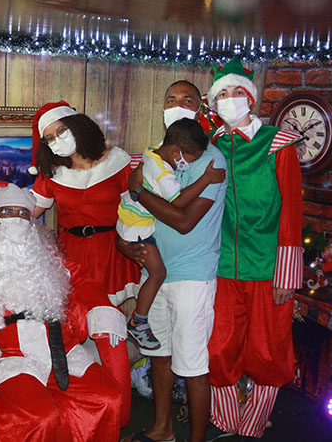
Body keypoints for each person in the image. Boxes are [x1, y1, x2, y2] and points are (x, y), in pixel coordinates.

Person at [0, 182, 122, 442]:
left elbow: (82, 280)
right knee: (40, 418)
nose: (16, 219)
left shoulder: (44, 252)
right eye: (7, 212)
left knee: (107, 398)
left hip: (60, 348)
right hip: (11, 356)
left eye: (22, 213)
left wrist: (101, 309)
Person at [120, 83, 228, 442]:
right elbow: (131, 211)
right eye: (170, 100)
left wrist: (139, 191)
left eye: (187, 101)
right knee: (159, 354)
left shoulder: (210, 160)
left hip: (192, 276)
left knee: (193, 364)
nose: (177, 106)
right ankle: (163, 428)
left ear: (201, 109)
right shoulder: (158, 156)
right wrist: (124, 241)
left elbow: (183, 220)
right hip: (156, 272)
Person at [205, 57, 303, 441]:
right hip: (221, 266)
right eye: (222, 94)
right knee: (218, 348)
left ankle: (253, 425)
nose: (230, 99)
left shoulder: (277, 143)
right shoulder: (211, 145)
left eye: (236, 92)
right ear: (214, 104)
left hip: (267, 267)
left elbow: (291, 209)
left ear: (250, 97)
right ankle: (226, 420)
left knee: (268, 351)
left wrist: (287, 274)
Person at [29, 101, 140, 425]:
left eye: (61, 130)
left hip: (112, 250)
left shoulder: (118, 162)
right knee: (82, 324)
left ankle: (117, 397)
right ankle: (93, 394)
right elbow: (30, 210)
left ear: (77, 125)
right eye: (50, 138)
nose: (57, 140)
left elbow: (138, 210)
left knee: (112, 325)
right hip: (73, 254)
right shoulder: (52, 172)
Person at [117, 118, 226, 350]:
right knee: (158, 273)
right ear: (176, 152)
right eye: (191, 160)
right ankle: (138, 322)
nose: (189, 165)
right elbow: (178, 203)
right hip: (138, 228)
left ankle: (139, 321)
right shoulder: (161, 172)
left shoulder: (151, 155)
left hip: (131, 224)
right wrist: (206, 179)